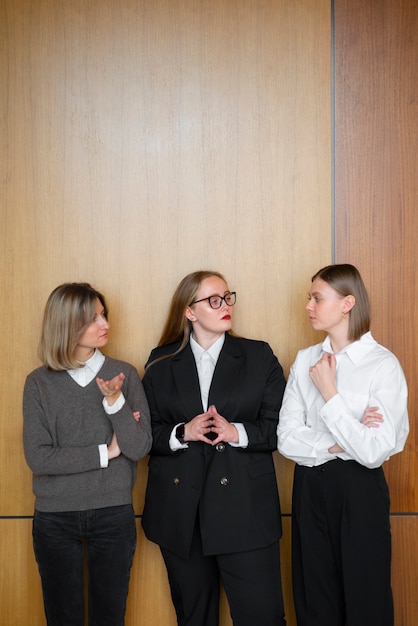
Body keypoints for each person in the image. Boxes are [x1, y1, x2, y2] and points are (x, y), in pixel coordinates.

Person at [141, 270, 287, 626]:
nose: (226, 306)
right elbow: (146, 436)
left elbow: (282, 429)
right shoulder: (160, 363)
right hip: (181, 517)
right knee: (194, 619)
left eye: (227, 297)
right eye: (213, 300)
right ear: (190, 312)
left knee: (262, 618)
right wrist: (182, 432)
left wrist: (237, 432)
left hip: (246, 512)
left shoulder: (258, 356)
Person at [277, 263, 409, 626]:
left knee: (366, 599)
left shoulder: (382, 365)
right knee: (314, 601)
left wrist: (330, 394)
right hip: (309, 488)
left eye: (317, 298)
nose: (308, 306)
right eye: (309, 298)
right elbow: (286, 438)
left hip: (360, 490)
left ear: (348, 303)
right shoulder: (305, 360)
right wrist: (343, 439)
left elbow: (373, 451)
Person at [23, 282, 152, 626]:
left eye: (103, 314)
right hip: (54, 518)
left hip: (113, 514)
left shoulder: (125, 374)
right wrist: (106, 452)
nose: (105, 323)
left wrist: (116, 403)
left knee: (109, 618)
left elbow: (139, 447)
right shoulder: (38, 383)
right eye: (93, 318)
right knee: (61, 617)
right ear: (66, 324)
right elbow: (39, 457)